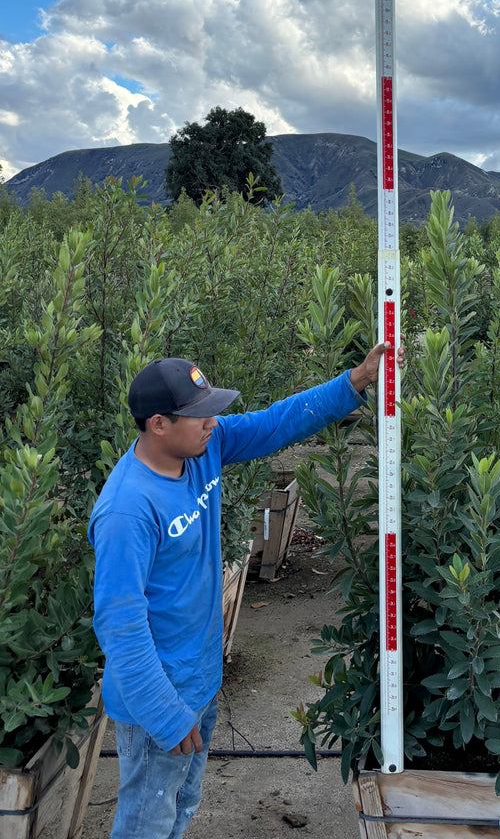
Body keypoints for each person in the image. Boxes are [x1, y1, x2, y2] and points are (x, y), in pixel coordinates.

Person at [88, 345, 388, 839]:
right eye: (199, 414)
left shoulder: (204, 450)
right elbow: (119, 626)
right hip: (158, 702)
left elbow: (275, 423)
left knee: (181, 807)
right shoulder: (128, 510)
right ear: (158, 424)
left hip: (200, 680)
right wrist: (165, 715)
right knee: (147, 823)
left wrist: (353, 381)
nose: (212, 421)